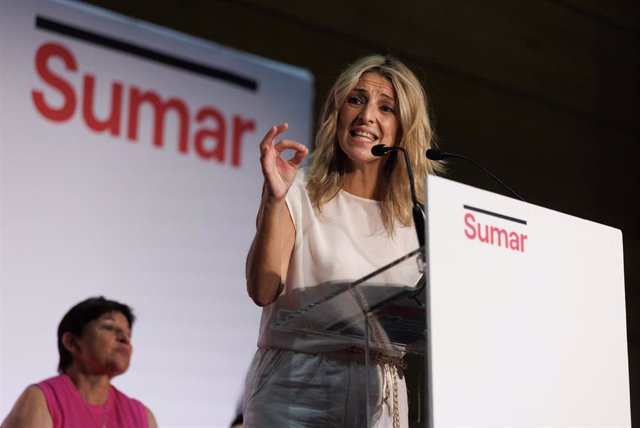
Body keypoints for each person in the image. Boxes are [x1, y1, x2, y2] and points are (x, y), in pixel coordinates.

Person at [243, 54, 442, 427]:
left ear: (404, 129)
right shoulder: (297, 190)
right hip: (296, 384)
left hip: (380, 389)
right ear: (338, 111)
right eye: (356, 99)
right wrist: (273, 199)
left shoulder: (416, 218)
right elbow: (262, 290)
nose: (367, 115)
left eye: (387, 107)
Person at [1, 296, 158, 428]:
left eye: (128, 334)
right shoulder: (41, 400)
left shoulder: (142, 417)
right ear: (71, 342)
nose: (124, 339)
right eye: (109, 327)